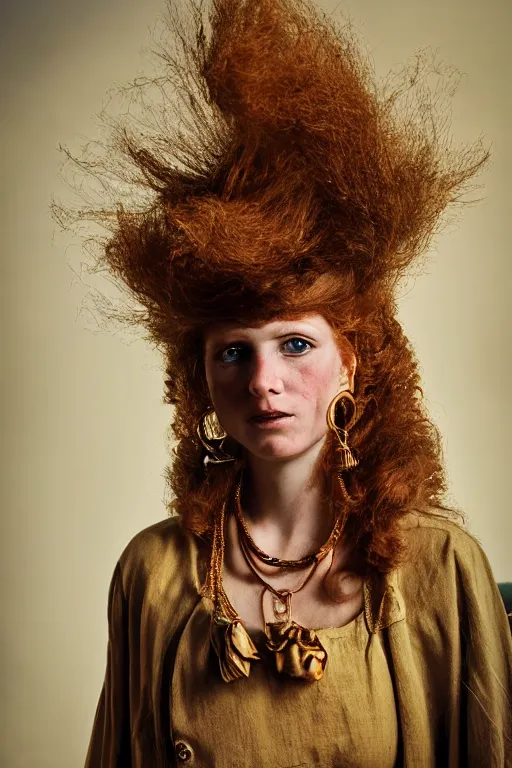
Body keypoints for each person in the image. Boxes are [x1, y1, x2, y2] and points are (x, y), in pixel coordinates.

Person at [72, 0, 512, 765]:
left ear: (350, 362)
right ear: (201, 380)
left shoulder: (442, 569)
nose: (265, 381)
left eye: (296, 344)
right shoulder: (152, 573)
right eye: (233, 353)